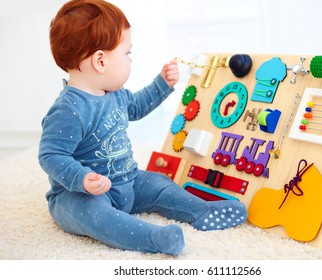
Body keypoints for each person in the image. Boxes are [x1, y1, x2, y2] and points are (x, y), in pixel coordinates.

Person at [38, 0, 247, 255]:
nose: (130, 59)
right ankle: (153, 238)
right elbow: (51, 155)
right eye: (127, 53)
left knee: (159, 183)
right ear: (100, 61)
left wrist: (162, 84)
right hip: (85, 195)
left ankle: (201, 210)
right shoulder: (69, 110)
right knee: (95, 215)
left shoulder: (113, 94)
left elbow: (136, 106)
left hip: (129, 181)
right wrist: (81, 179)